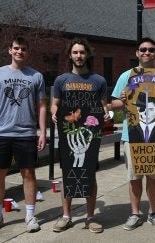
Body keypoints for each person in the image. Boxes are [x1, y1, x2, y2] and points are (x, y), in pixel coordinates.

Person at [111, 37, 155, 231]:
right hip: (131, 135)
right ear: (137, 53)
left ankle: (153, 213)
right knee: (134, 177)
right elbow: (113, 105)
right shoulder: (127, 76)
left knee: (153, 177)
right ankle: (135, 213)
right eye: (143, 49)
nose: (146, 53)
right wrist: (122, 99)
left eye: (150, 50)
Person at [0, 36, 46, 233]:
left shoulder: (36, 76)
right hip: (1, 133)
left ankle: (30, 215)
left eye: (23, 49)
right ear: (10, 50)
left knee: (28, 174)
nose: (20, 52)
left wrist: (42, 132)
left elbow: (41, 106)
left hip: (26, 133)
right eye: (16, 48)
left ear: (28, 52)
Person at [50, 38, 109, 233]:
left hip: (90, 134)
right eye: (75, 52)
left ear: (87, 55)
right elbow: (55, 103)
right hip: (68, 133)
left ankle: (90, 217)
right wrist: (53, 111)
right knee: (68, 172)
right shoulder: (61, 80)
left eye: (82, 52)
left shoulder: (98, 80)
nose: (79, 56)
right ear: (70, 55)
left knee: (89, 172)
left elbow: (103, 106)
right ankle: (66, 216)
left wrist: (106, 112)